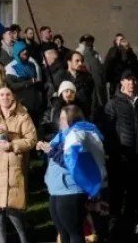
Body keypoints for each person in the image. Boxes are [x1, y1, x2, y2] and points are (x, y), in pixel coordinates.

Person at [0, 85, 38, 243]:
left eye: (8, 94)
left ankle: (24, 239)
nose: (5, 97)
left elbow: (31, 139)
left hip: (14, 165)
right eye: (2, 94)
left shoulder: (22, 115)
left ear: (13, 96)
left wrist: (12, 145)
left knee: (12, 208)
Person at [38, 104, 106, 243]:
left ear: (73, 119)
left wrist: (51, 151)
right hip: (57, 189)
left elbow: (72, 161)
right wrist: (45, 149)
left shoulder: (78, 134)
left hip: (71, 188)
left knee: (74, 231)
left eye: (64, 118)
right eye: (61, 118)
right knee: (63, 231)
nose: (61, 121)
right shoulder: (63, 135)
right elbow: (55, 154)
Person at [103, 69, 138, 238]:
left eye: (133, 80)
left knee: (134, 195)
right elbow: (108, 131)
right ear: (122, 83)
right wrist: (115, 151)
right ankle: (114, 229)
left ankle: (131, 227)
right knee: (116, 195)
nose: (131, 83)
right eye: (128, 80)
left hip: (137, 157)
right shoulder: (113, 104)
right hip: (120, 158)